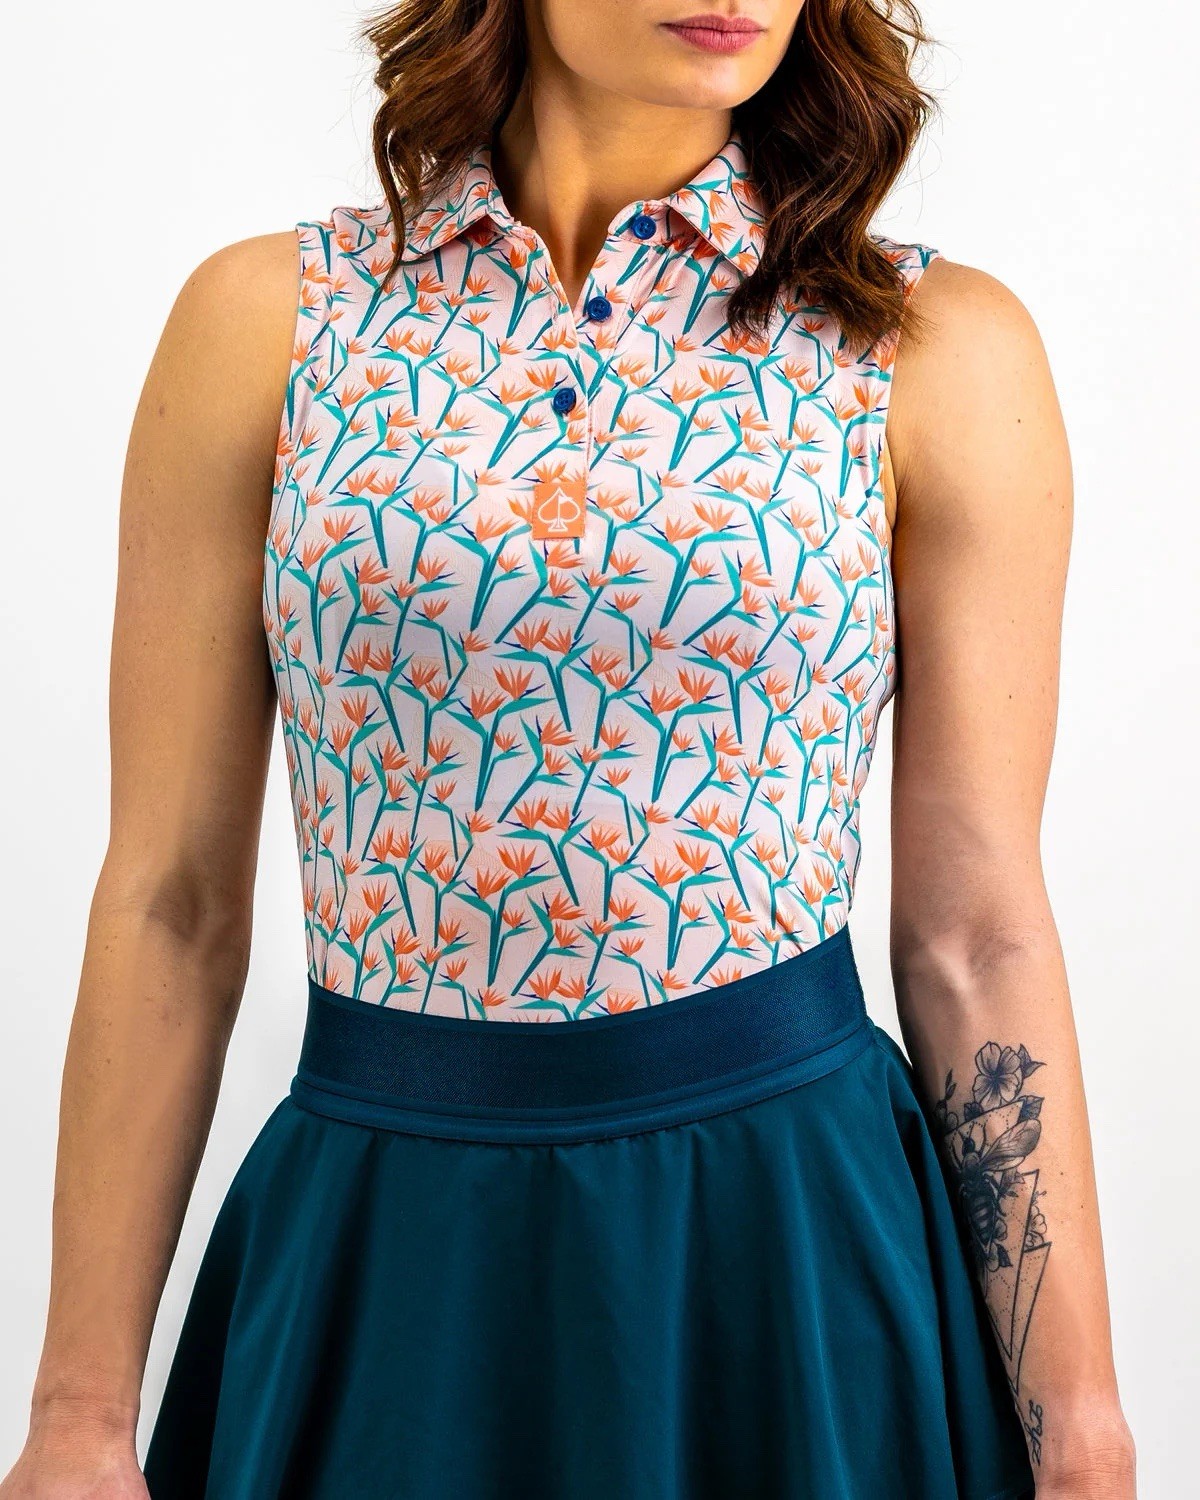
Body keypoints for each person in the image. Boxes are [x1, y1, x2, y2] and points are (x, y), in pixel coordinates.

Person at [3, 2, 1136, 1497]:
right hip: (383, 1244)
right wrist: (77, 1415)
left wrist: (1081, 1433)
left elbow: (977, 932)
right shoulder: (271, 322)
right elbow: (172, 901)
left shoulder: (930, 348)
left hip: (784, 1253)